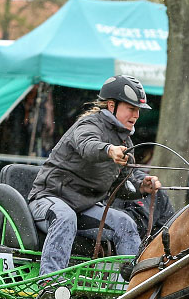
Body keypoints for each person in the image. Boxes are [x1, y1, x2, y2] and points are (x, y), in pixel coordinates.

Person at [27, 74, 159, 283]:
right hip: (48, 199)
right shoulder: (89, 124)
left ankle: (128, 291)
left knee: (125, 223)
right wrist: (108, 150)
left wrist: (142, 186)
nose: (136, 115)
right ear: (111, 105)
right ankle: (49, 285)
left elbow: (123, 186)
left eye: (138, 111)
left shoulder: (125, 139)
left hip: (83, 207)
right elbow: (87, 145)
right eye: (131, 108)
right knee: (65, 217)